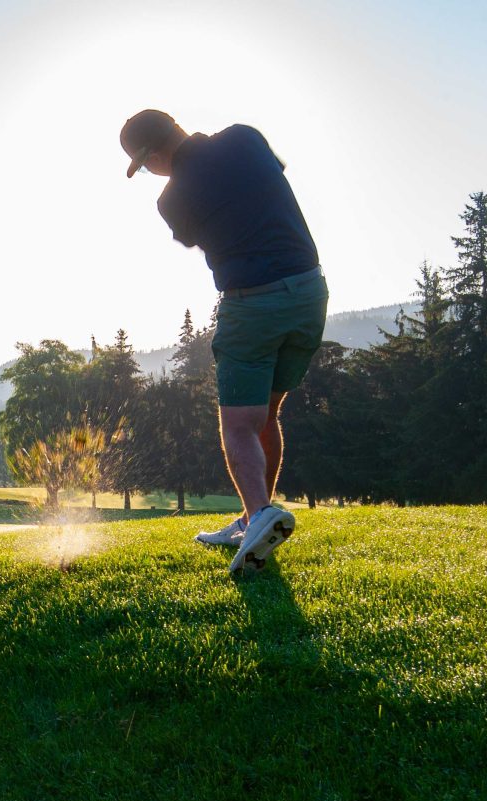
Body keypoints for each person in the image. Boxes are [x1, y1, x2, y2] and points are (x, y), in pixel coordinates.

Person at [120, 108, 328, 576]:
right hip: (309, 291)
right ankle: (257, 516)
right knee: (267, 415)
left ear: (152, 155)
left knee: (237, 424)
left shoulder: (170, 199)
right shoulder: (245, 137)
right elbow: (271, 177)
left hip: (252, 304)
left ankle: (260, 515)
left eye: (144, 165)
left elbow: (193, 236)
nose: (149, 173)